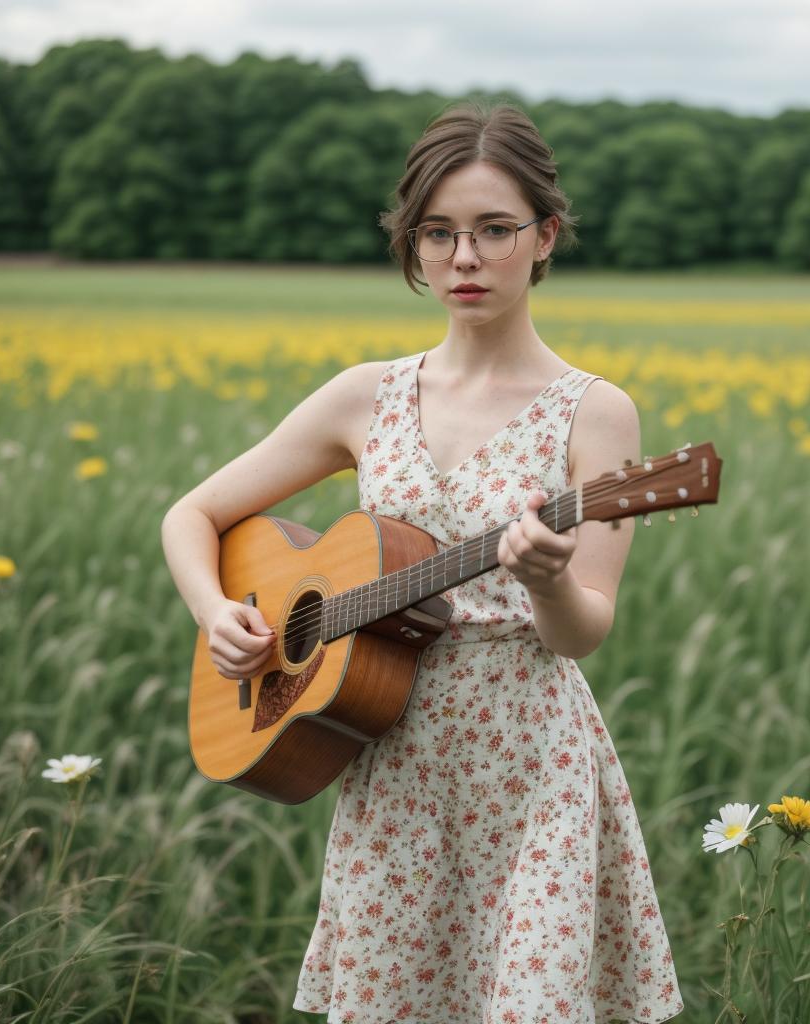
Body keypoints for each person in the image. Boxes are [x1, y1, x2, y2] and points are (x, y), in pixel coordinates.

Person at [161, 100, 683, 1023]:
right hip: (389, 760)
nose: (464, 257)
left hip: (531, 768)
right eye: (438, 233)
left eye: (493, 230)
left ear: (545, 236)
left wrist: (548, 581)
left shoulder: (594, 413)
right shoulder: (365, 396)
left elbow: (583, 632)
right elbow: (193, 515)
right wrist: (216, 614)